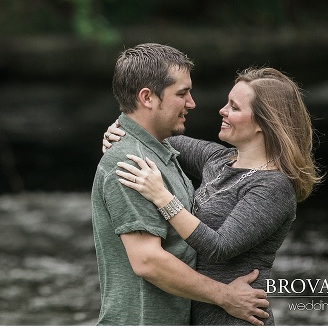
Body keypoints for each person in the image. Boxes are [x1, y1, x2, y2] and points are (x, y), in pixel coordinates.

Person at [103, 66, 323, 325]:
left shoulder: (273, 187)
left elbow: (220, 247)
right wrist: (118, 132)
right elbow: (153, 135)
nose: (223, 110)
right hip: (196, 314)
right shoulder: (218, 160)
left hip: (236, 318)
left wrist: (162, 197)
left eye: (235, 107)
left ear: (264, 124)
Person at [92, 43, 270, 326]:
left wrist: (121, 127)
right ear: (147, 98)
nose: (192, 103)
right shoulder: (130, 164)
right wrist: (225, 296)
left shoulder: (160, 151)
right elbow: (147, 261)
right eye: (182, 93)